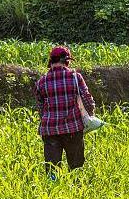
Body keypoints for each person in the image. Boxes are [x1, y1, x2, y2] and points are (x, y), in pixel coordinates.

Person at [35, 46, 96, 175]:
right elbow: (87, 99)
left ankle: (52, 190)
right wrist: (90, 115)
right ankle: (75, 190)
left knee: (52, 169)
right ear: (66, 61)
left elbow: (41, 108)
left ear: (51, 61)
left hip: (50, 130)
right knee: (76, 167)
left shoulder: (41, 81)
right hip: (72, 129)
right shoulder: (75, 77)